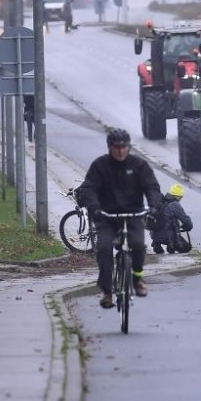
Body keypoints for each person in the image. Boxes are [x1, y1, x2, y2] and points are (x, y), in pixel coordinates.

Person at [76, 128, 163, 308]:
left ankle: (137, 279)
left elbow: (152, 187)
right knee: (104, 249)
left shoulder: (139, 165)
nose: (121, 151)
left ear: (128, 147)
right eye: (117, 147)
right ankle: (107, 291)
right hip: (107, 216)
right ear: (110, 147)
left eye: (124, 147)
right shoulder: (100, 166)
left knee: (138, 245)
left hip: (133, 215)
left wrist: (154, 206)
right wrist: (94, 208)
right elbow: (89, 188)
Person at [151, 183, 194, 254]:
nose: (180, 199)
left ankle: (157, 245)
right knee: (187, 248)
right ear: (177, 196)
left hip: (154, 235)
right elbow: (186, 221)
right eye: (180, 197)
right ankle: (171, 245)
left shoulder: (159, 202)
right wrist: (187, 227)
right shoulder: (175, 205)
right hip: (169, 236)